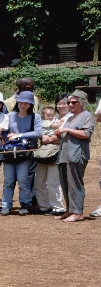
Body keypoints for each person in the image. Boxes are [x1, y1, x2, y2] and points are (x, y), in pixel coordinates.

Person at [0, 91, 40, 215]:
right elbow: (3, 131)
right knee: (8, 180)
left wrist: (19, 135)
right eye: (20, 102)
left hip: (25, 153)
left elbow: (38, 133)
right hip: (9, 152)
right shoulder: (9, 116)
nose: (23, 105)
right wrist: (7, 137)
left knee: (23, 180)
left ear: (31, 105)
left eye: (26, 103)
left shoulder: (35, 117)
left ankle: (25, 204)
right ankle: (6, 205)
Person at [56, 91, 94, 221]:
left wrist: (67, 130)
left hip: (77, 154)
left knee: (75, 183)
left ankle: (78, 212)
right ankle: (70, 210)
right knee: (65, 182)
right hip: (64, 154)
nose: (70, 105)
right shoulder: (69, 117)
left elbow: (86, 134)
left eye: (74, 102)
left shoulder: (86, 115)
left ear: (82, 102)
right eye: (69, 102)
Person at [34, 102, 68, 215]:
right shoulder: (50, 121)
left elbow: (63, 136)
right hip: (43, 152)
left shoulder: (68, 118)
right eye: (59, 103)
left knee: (53, 182)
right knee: (39, 181)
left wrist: (50, 138)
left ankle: (58, 207)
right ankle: (44, 205)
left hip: (55, 152)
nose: (62, 106)